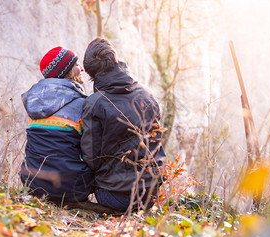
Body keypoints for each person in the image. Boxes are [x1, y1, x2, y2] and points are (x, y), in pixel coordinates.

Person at [81, 37, 166, 212]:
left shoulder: (95, 103)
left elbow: (90, 156)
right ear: (116, 60)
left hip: (115, 197)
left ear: (91, 74)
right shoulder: (147, 94)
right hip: (151, 195)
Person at [20, 46, 94, 204]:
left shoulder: (35, 102)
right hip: (70, 188)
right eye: (76, 65)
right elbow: (91, 151)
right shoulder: (81, 104)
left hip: (32, 182)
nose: (81, 69)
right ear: (66, 71)